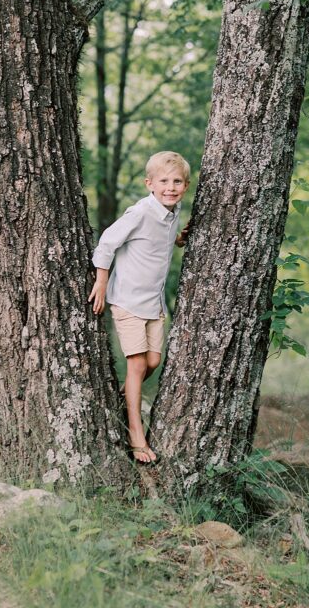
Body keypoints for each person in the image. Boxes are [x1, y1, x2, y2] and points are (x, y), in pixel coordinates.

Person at [87, 151, 190, 464]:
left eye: (177, 182)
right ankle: (136, 436)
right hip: (129, 300)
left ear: (185, 186)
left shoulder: (173, 210)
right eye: (163, 181)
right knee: (136, 366)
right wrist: (102, 281)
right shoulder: (140, 211)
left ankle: (123, 398)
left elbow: (159, 238)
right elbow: (107, 242)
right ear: (150, 184)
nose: (170, 187)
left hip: (153, 301)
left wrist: (178, 239)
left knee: (153, 362)